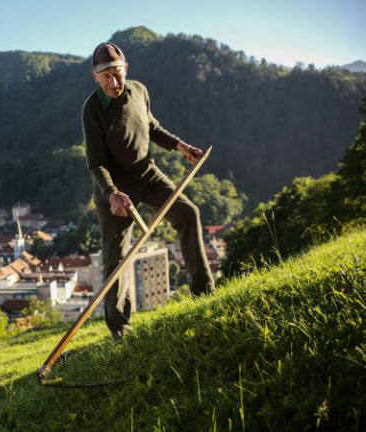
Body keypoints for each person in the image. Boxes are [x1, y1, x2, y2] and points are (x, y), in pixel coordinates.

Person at [81, 42, 214, 339]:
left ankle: (203, 292)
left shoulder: (138, 91)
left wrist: (180, 146)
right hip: (115, 191)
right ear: (95, 76)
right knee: (117, 257)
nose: (114, 83)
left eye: (118, 75)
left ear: (126, 68)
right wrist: (112, 193)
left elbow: (151, 126)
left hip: (147, 175)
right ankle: (120, 327)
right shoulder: (91, 110)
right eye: (107, 78)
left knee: (187, 213)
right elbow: (96, 163)